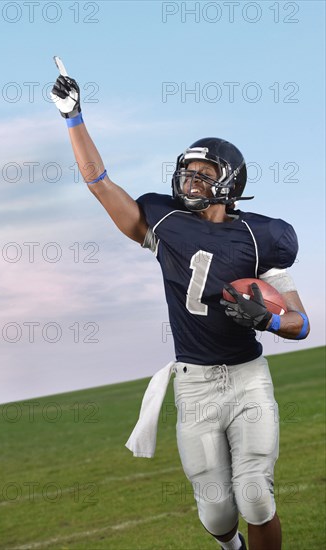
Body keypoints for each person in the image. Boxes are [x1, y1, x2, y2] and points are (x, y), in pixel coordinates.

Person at [51, 70, 310, 550]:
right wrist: (73, 118)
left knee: (256, 497)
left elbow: (302, 323)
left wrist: (270, 320)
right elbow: (99, 183)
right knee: (216, 512)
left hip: (248, 377)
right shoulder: (164, 222)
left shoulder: (262, 236)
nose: (191, 179)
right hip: (195, 385)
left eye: (204, 174)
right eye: (188, 171)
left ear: (228, 182)